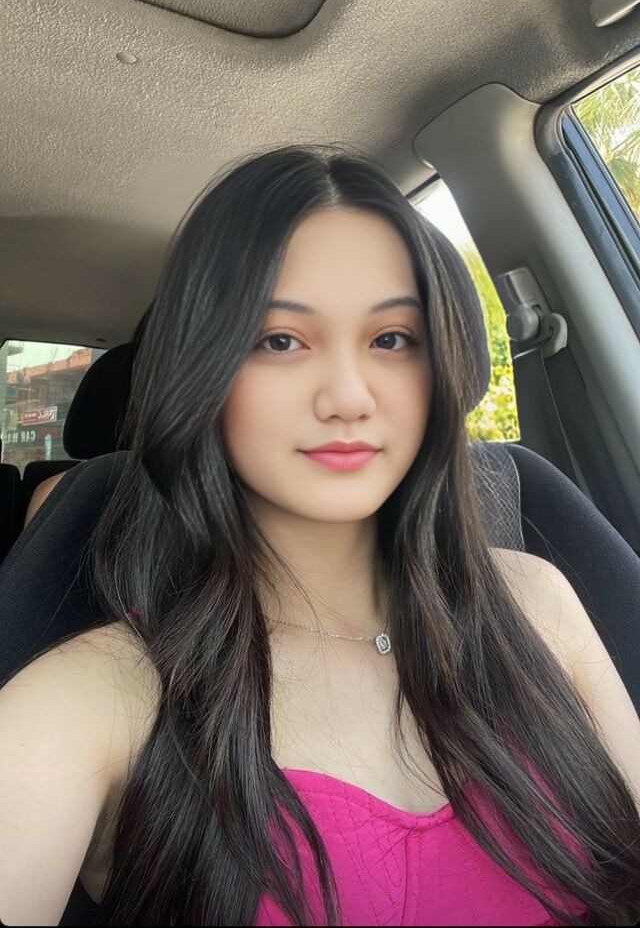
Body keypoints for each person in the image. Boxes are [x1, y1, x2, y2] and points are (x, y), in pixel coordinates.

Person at [1, 144, 639, 926]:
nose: (347, 396)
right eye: (280, 340)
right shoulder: (97, 701)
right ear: (203, 373)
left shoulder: (537, 600)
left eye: (392, 339)